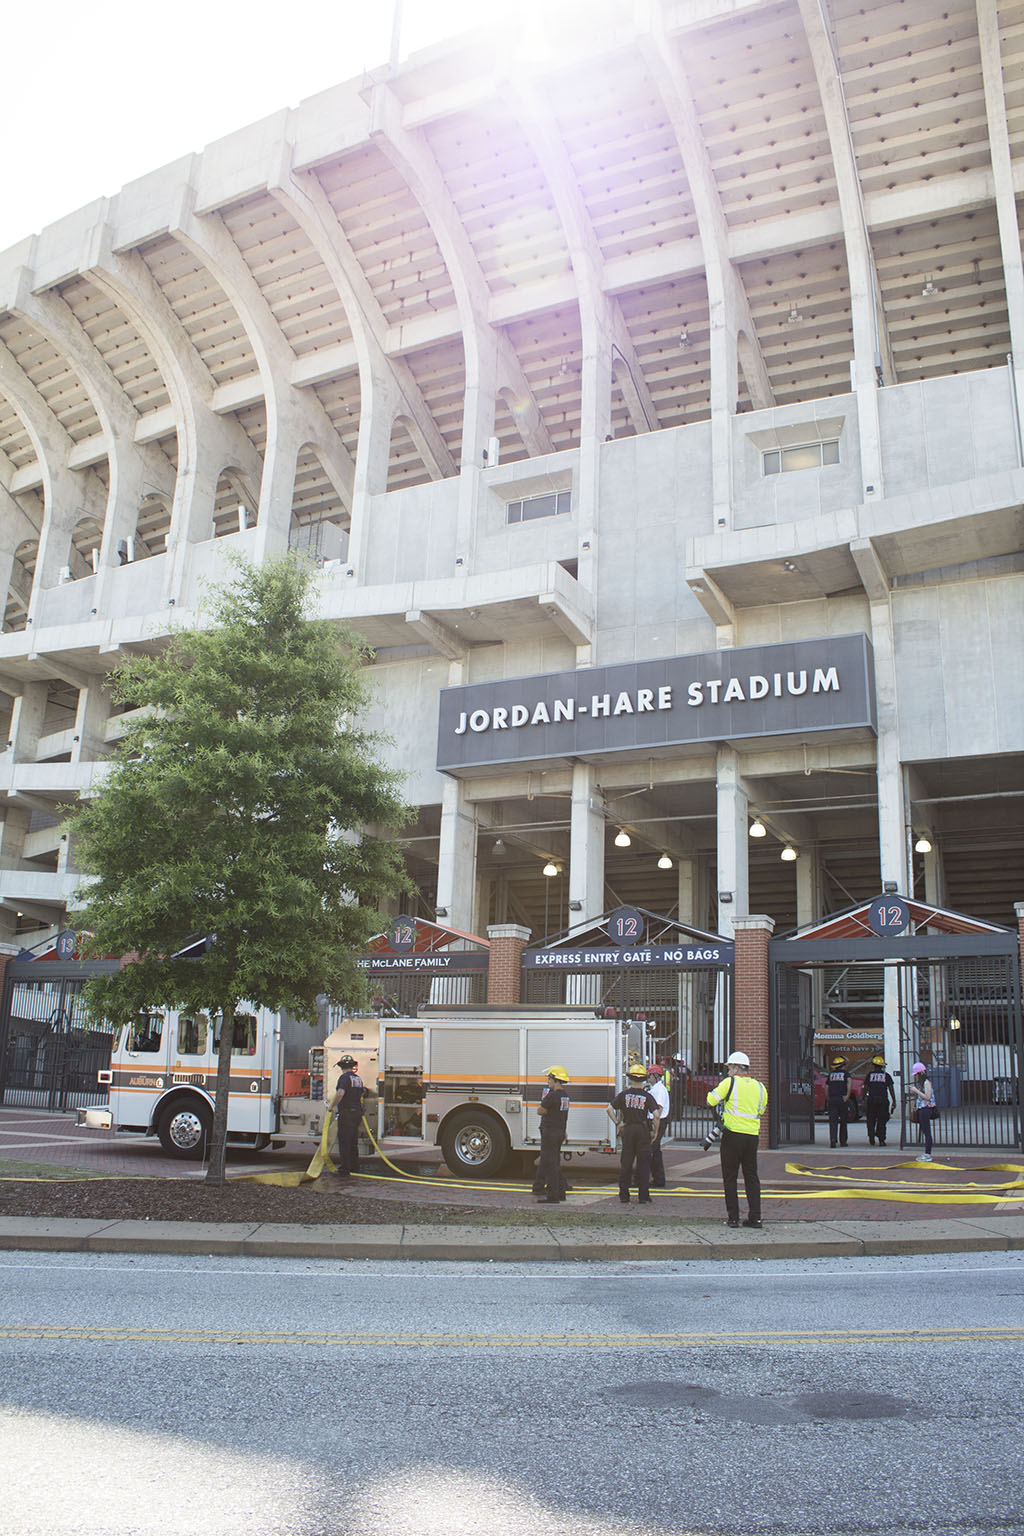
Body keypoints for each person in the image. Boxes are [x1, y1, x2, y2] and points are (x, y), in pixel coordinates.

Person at [707, 1049, 767, 1229]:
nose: (727, 1071)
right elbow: (761, 1110)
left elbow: (710, 1100)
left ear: (736, 1068)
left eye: (729, 1067)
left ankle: (733, 1218)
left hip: (732, 1135)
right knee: (751, 1176)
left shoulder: (729, 1083)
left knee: (730, 1177)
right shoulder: (760, 1087)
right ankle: (755, 1218)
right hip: (752, 1137)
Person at [608, 1063, 660, 1205]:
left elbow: (609, 1109)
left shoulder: (624, 1095)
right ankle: (643, 1196)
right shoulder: (647, 1096)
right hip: (642, 1130)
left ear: (630, 1078)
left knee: (626, 1163)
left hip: (628, 1130)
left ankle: (624, 1195)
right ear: (643, 1079)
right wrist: (654, 1132)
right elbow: (656, 1115)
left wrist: (618, 1123)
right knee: (643, 1164)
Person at [533, 1065, 571, 1204]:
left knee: (550, 1164)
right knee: (555, 1163)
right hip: (560, 1131)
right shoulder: (565, 1096)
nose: (548, 1081)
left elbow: (540, 1110)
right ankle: (561, 1193)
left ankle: (553, 1196)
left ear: (556, 1080)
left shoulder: (552, 1095)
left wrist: (547, 1110)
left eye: (549, 1078)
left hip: (549, 1132)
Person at [329, 1053, 367, 1181]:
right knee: (353, 1141)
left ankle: (345, 1169)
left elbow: (340, 1093)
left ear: (341, 1067)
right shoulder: (358, 1078)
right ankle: (354, 1166)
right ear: (352, 1066)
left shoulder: (344, 1078)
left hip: (346, 1113)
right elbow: (361, 1093)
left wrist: (332, 1106)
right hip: (357, 1113)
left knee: (345, 1141)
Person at [862, 1054, 897, 1146]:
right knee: (882, 1120)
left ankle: (871, 1137)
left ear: (874, 1065)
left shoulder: (869, 1075)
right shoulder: (886, 1076)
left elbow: (865, 1088)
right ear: (882, 1066)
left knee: (871, 1120)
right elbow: (891, 1089)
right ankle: (881, 1139)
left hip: (871, 1100)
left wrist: (863, 1098)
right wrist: (894, 1100)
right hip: (883, 1101)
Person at [646, 1064, 671, 1189]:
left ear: (655, 1076)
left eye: (649, 1075)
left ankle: (656, 1179)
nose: (648, 1077)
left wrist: (654, 1129)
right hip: (657, 1121)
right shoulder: (655, 1088)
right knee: (655, 1151)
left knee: (651, 1150)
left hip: (658, 1122)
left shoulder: (659, 1090)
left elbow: (659, 1110)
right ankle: (658, 1179)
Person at [909, 1061, 937, 1162]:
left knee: (927, 1132)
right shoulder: (923, 1083)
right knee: (925, 1131)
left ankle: (927, 1153)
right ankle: (926, 1153)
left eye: (916, 1075)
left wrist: (916, 1091)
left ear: (920, 1073)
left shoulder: (926, 1083)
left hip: (926, 1109)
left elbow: (927, 1097)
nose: (915, 1077)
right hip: (922, 1109)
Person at [826, 1054, 852, 1148]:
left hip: (832, 1099)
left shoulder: (831, 1074)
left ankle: (833, 1140)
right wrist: (847, 1096)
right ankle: (843, 1141)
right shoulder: (846, 1074)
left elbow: (827, 1087)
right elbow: (849, 1084)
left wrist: (828, 1098)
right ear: (843, 1065)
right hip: (842, 1099)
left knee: (833, 1121)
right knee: (843, 1121)